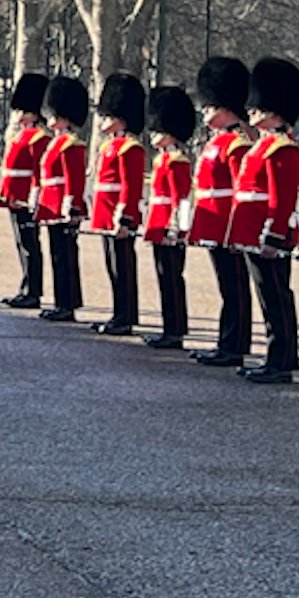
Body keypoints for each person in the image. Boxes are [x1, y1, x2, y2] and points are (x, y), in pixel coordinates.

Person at [227, 57, 299, 383]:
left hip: (267, 235)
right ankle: (275, 358)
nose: (252, 110)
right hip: (252, 232)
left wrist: (273, 237)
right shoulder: (264, 146)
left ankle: (282, 361)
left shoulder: (283, 148)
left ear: (274, 109)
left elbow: (282, 199)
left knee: (277, 298)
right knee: (266, 298)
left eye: (259, 106)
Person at [186, 58, 255, 367]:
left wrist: (236, 230)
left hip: (229, 226)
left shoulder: (237, 143)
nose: (205, 111)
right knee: (226, 286)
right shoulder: (219, 141)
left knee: (235, 287)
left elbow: (242, 191)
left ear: (226, 107)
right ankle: (227, 342)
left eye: (211, 106)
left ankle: (235, 345)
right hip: (216, 224)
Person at [85, 73, 147, 337]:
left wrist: (125, 218)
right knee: (113, 266)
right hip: (106, 214)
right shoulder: (110, 146)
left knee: (123, 267)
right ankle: (119, 312)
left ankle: (125, 316)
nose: (103, 120)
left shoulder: (130, 147)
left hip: (118, 216)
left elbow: (130, 187)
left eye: (108, 116)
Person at [141, 86, 197, 350]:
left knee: (172, 279)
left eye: (158, 130)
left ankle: (174, 331)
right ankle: (169, 327)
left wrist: (179, 227)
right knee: (164, 278)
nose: (153, 134)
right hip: (159, 225)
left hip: (169, 228)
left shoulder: (177, 161)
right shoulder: (163, 160)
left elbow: (182, 198)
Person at [36, 76, 89, 323]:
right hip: (52, 203)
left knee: (65, 256)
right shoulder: (57, 142)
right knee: (57, 255)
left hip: (63, 205)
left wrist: (72, 203)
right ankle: (61, 301)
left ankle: (67, 304)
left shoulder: (71, 143)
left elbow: (73, 177)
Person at [0, 74, 51, 309]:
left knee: (30, 244)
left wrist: (34, 197)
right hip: (14, 195)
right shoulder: (20, 134)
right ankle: (26, 286)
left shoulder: (39, 137)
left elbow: (38, 170)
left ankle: (33, 290)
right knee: (22, 244)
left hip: (25, 197)